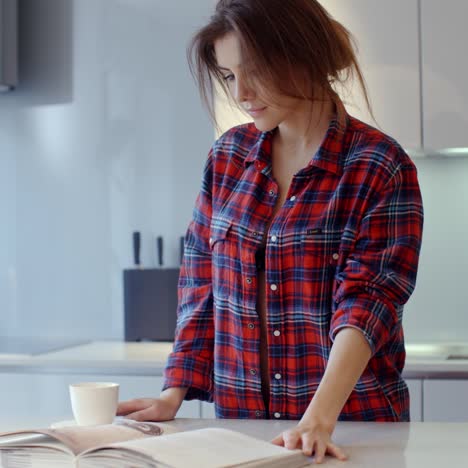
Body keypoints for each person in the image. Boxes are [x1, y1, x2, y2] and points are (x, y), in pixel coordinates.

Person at [117, 0, 424, 463]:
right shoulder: (227, 159)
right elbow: (201, 284)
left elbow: (369, 301)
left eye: (253, 70)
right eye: (228, 75)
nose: (240, 92)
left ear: (302, 54)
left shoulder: (380, 165)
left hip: (350, 430)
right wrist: (173, 391)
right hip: (240, 429)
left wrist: (318, 419)